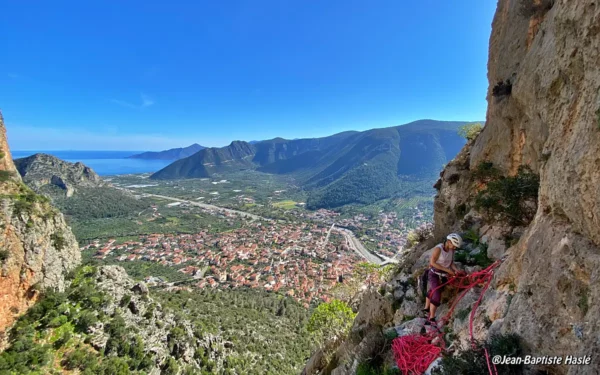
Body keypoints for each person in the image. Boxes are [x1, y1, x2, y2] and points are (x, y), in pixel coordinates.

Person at [423, 233, 463, 325]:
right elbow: (432, 262)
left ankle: (426, 308)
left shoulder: (451, 250)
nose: (455, 248)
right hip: (434, 273)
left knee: (434, 289)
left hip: (444, 274)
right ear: (448, 242)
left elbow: (451, 262)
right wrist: (448, 271)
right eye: (454, 245)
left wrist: (456, 270)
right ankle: (431, 317)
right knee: (436, 293)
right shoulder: (438, 249)